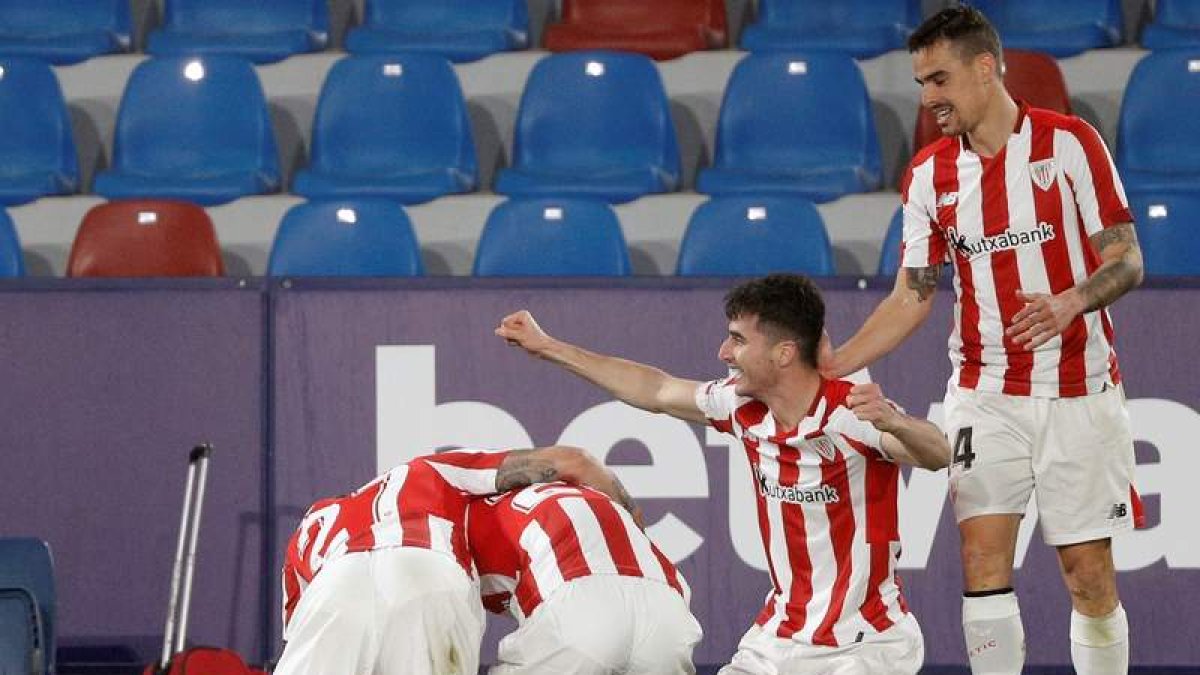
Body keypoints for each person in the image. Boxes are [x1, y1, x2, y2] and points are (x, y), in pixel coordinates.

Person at [819, 7, 1145, 675]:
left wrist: (1072, 301)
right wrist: (837, 363)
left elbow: (1128, 258)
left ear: (986, 68)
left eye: (939, 79)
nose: (928, 98)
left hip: (1078, 389)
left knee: (1086, 574)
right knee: (981, 559)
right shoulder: (928, 178)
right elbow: (912, 294)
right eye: (920, 83)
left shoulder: (1072, 144)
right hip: (985, 392)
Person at [496, 273, 950, 674]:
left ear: (784, 353)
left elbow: (938, 453)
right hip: (779, 640)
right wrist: (549, 347)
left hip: (866, 645)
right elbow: (655, 389)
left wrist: (897, 422)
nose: (723, 352)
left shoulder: (849, 413)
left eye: (738, 339)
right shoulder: (740, 406)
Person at [275, 445, 637, 675]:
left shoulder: (313, 520)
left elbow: (295, 630)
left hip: (332, 586)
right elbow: (575, 462)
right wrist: (634, 530)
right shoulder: (426, 469)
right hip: (427, 571)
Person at [467, 481, 702, 674]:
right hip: (667, 606)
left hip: (577, 607)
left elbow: (448, 637)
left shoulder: (453, 525)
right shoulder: (581, 488)